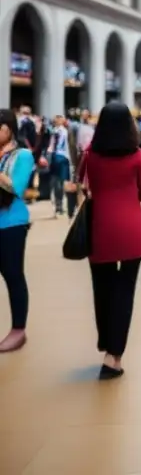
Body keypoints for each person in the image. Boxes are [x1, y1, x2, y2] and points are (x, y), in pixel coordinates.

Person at [79, 102, 141, 379]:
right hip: (133, 229)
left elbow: (84, 187)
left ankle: (106, 341)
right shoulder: (138, 156)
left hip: (100, 229)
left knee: (102, 288)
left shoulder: (90, 155)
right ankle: (115, 356)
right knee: (126, 291)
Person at [0, 108, 34, 352]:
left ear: (9, 128)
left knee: (13, 274)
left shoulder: (22, 155)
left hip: (12, 223)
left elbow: (17, 187)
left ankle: (18, 329)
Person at [47, 114, 72, 216]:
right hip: (62, 157)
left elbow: (50, 146)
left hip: (54, 156)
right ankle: (60, 204)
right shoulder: (65, 132)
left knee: (56, 181)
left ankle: (58, 203)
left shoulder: (54, 131)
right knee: (61, 182)